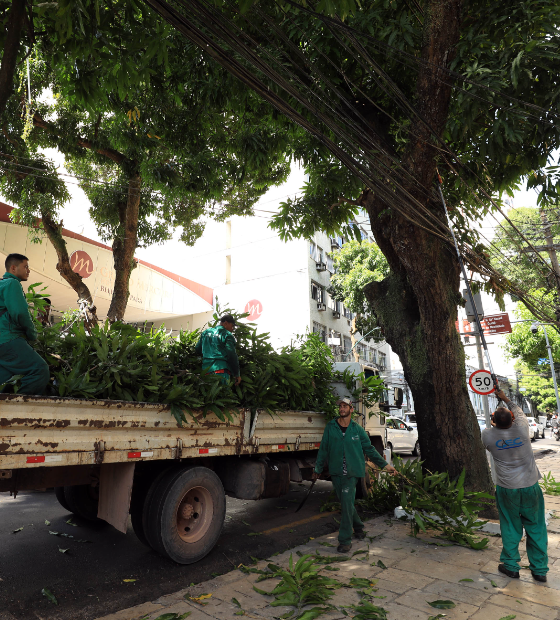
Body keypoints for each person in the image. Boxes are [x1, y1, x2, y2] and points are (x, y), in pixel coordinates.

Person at [313, 397, 397, 553]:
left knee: (345, 504)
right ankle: (358, 527)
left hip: (352, 474)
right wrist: (317, 469)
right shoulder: (331, 427)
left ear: (351, 409)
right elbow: (323, 449)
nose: (342, 409)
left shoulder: (357, 429)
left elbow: (370, 450)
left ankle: (345, 540)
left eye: (345, 406)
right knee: (346, 503)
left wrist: (385, 465)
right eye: (340, 406)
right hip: (336, 472)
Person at [482, 389, 548, 582]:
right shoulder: (522, 428)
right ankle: (540, 570)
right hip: (530, 487)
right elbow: (518, 410)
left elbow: (495, 429)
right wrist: (504, 398)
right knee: (536, 527)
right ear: (512, 420)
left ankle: (511, 566)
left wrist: (495, 423)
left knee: (510, 526)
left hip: (507, 489)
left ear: (493, 421)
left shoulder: (488, 436)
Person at [0, 254, 50, 395]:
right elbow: (20, 313)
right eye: (26, 267)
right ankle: (18, 410)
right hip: (7, 339)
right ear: (13, 268)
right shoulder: (12, 283)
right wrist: (32, 334)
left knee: (7, 378)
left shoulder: (1, 284)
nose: (28, 270)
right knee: (39, 369)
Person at [195, 314, 241, 386]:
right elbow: (232, 355)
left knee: (210, 395)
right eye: (232, 326)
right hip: (221, 370)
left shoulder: (206, 333)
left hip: (206, 371)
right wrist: (237, 374)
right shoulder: (227, 335)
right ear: (226, 323)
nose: (232, 329)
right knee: (223, 394)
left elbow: (197, 349)